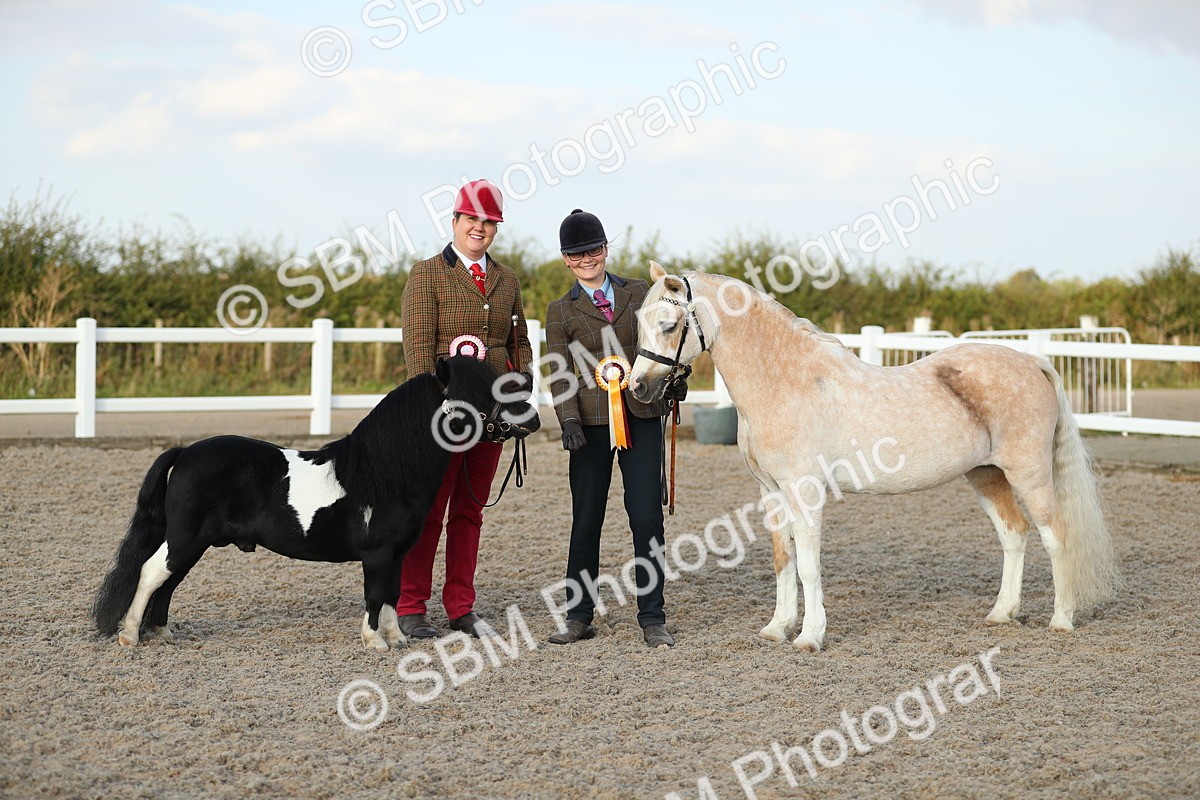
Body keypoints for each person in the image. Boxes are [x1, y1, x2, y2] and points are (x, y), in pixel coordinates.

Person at [544, 209, 687, 648]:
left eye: (594, 250)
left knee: (646, 517)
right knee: (586, 520)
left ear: (606, 249)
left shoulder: (642, 291)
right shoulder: (560, 311)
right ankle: (579, 615)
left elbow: (666, 341)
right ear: (567, 260)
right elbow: (558, 370)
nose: (588, 259)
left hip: (642, 418)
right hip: (587, 427)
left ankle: (653, 615)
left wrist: (674, 383)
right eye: (578, 254)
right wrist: (567, 420)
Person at [398, 179, 533, 640]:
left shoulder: (507, 278)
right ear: (454, 221)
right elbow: (418, 348)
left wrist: (521, 384)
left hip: (492, 411)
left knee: (470, 511)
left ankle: (460, 605)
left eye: (488, 222)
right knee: (430, 509)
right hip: (443, 413)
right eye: (471, 219)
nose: (480, 228)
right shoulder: (427, 274)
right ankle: (410, 604)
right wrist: (427, 408)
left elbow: (519, 341)